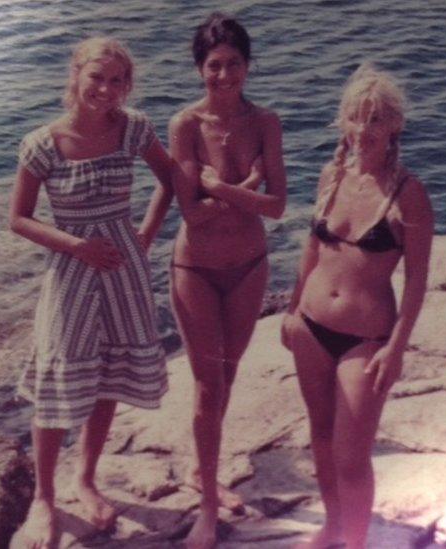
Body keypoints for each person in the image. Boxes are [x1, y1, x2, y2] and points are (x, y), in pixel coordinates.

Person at [9, 36, 173, 548]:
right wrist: (77, 245)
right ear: (76, 76)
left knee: (109, 374)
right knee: (58, 379)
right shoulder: (43, 143)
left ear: (128, 85)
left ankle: (85, 478)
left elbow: (171, 181)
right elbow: (17, 218)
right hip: (72, 270)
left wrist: (145, 234)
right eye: (96, 77)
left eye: (117, 80)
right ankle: (43, 498)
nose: (105, 89)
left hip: (123, 269)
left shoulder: (135, 129)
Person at [281, 63, 434, 549]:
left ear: (394, 127)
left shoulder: (409, 196)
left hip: (364, 341)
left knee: (351, 456)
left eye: (373, 120)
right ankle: (332, 528)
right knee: (321, 440)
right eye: (354, 118)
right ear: (342, 122)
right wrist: (290, 310)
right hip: (309, 326)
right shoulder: (333, 175)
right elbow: (312, 249)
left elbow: (417, 280)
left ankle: (357, 543)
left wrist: (396, 348)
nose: (362, 131)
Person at [168, 12, 288, 549]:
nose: (224, 75)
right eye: (214, 66)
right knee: (207, 384)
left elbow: (279, 207)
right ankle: (208, 511)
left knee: (229, 378)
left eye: (233, 64)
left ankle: (205, 469)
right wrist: (248, 186)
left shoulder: (266, 122)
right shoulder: (185, 126)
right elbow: (191, 214)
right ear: (200, 70)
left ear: (248, 65)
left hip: (248, 268)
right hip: (195, 268)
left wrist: (225, 188)